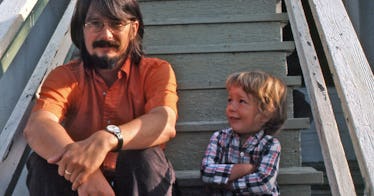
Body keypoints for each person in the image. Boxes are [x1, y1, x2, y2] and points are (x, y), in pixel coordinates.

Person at [23, 0, 179, 195]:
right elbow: (38, 125)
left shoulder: (156, 71)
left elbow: (164, 122)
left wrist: (106, 139)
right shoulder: (65, 76)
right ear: (82, 30)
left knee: (143, 157)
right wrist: (85, 173)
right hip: (78, 187)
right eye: (95, 23)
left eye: (116, 23)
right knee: (43, 163)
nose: (106, 34)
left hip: (140, 181)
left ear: (133, 29)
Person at [201, 71, 287, 195]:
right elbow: (206, 172)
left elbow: (263, 183)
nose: (231, 107)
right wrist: (244, 169)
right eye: (230, 100)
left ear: (265, 113)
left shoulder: (270, 145)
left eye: (241, 101)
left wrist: (229, 184)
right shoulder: (219, 138)